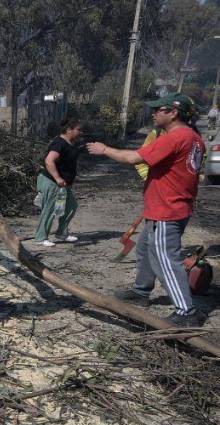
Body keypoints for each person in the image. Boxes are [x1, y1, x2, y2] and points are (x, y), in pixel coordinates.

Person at [87, 94, 207, 327]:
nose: (154, 113)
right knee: (145, 250)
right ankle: (141, 291)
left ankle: (186, 311)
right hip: (166, 206)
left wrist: (104, 149)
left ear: (173, 112)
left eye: (159, 109)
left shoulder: (175, 137)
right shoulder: (194, 138)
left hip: (167, 210)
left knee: (166, 259)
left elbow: (134, 158)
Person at [34, 118, 84, 247]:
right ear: (69, 130)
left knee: (71, 206)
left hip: (62, 184)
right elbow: (49, 161)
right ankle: (41, 237)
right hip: (52, 181)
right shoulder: (59, 143)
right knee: (49, 209)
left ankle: (61, 232)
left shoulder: (69, 143)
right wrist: (57, 178)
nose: (80, 132)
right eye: (78, 129)